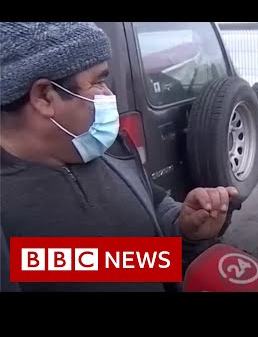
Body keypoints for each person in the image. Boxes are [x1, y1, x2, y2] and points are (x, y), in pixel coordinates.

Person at [0, 22, 238, 292]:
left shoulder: (105, 146)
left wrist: (181, 227)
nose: (109, 95)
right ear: (44, 96)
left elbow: (148, 213)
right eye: (99, 81)